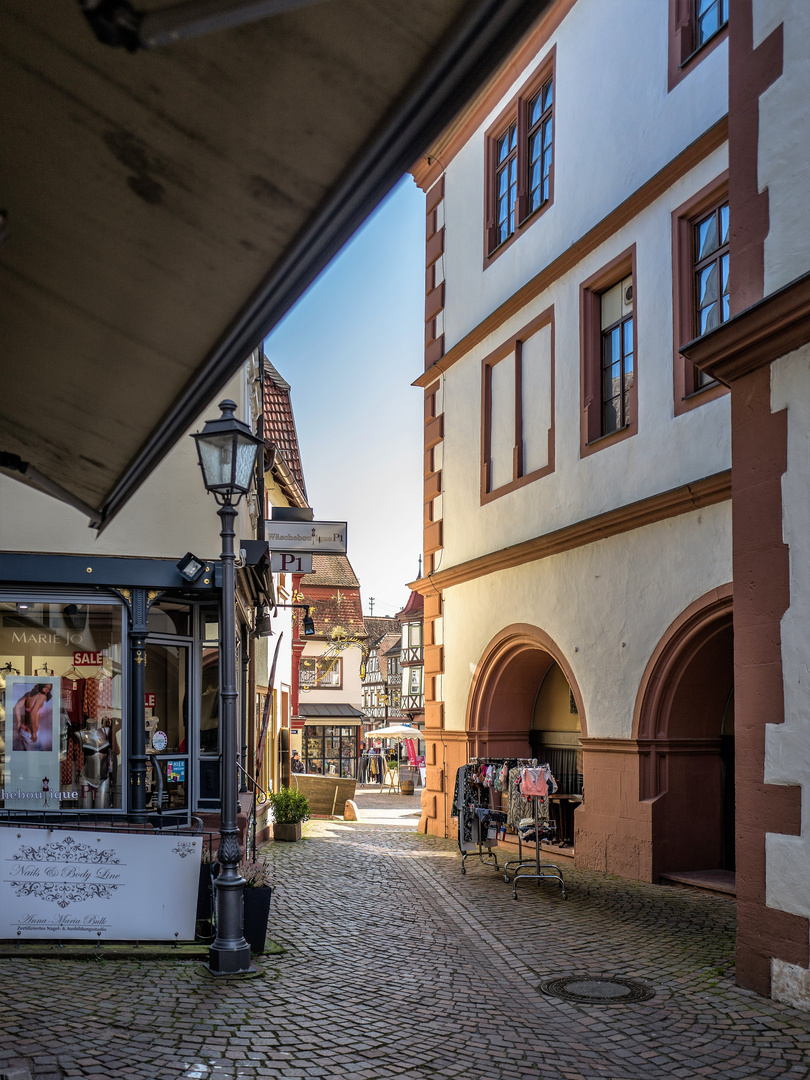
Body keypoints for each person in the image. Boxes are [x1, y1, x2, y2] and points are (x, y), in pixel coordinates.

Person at [13, 682, 53, 748]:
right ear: (41, 686)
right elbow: (33, 713)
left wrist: (19, 723)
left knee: (28, 755)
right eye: (45, 687)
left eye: (49, 689)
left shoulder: (29, 695)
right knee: (38, 756)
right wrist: (34, 733)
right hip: (31, 734)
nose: (47, 690)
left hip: (23, 731)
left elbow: (17, 706)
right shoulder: (42, 697)